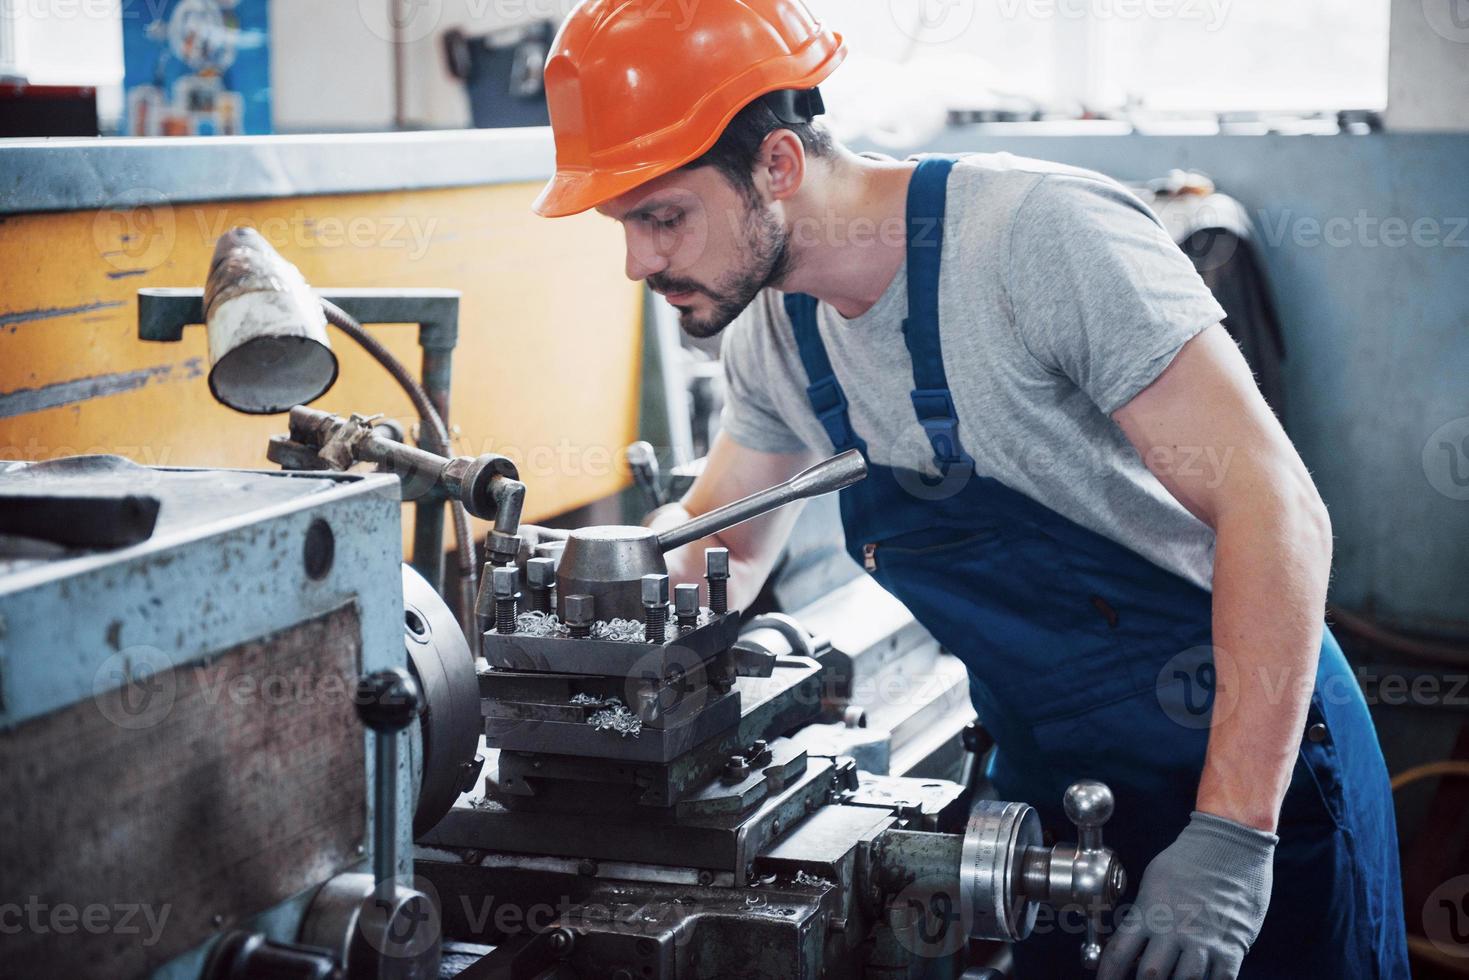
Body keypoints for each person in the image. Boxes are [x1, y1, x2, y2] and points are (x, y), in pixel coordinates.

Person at [531, 2, 1410, 977]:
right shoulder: (775, 333)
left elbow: (1273, 507)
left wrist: (1231, 836)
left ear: (776, 166)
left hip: (1247, 769)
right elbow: (728, 541)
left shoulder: (1039, 240)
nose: (637, 261)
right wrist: (596, 594)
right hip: (1056, 789)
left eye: (662, 216)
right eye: (624, 224)